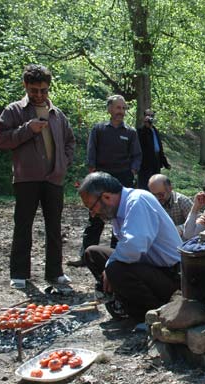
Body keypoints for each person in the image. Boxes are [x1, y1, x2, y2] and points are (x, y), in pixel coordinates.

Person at [0, 64, 75, 289]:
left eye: (43, 90)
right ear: (26, 87)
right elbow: (0, 139)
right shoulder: (14, 111)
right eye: (34, 90)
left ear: (49, 88)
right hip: (26, 178)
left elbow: (70, 141)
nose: (39, 95)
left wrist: (64, 163)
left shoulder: (57, 114)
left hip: (54, 179)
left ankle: (55, 272)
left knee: (55, 228)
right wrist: (28, 129)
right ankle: (19, 273)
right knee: (23, 226)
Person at [79, 172, 182, 321]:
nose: (93, 214)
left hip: (171, 275)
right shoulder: (118, 209)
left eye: (92, 207)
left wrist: (110, 265)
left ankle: (152, 314)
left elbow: (133, 247)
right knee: (93, 253)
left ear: (106, 197)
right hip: (148, 266)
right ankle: (124, 301)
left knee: (114, 269)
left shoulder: (137, 201)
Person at [67, 95, 142, 267]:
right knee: (95, 218)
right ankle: (86, 256)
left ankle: (117, 255)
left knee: (121, 218)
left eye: (123, 108)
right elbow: (91, 151)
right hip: (101, 179)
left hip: (123, 178)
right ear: (109, 109)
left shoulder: (130, 132)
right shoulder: (99, 129)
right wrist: (92, 170)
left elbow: (137, 155)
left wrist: (132, 170)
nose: (121, 112)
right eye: (118, 108)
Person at [137, 109, 171, 190]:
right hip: (145, 164)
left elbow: (159, 148)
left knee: (156, 185)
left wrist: (165, 163)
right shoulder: (140, 131)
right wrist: (146, 126)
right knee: (145, 186)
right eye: (148, 115)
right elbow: (141, 143)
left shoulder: (155, 130)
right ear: (144, 117)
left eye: (152, 116)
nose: (150, 118)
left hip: (156, 162)